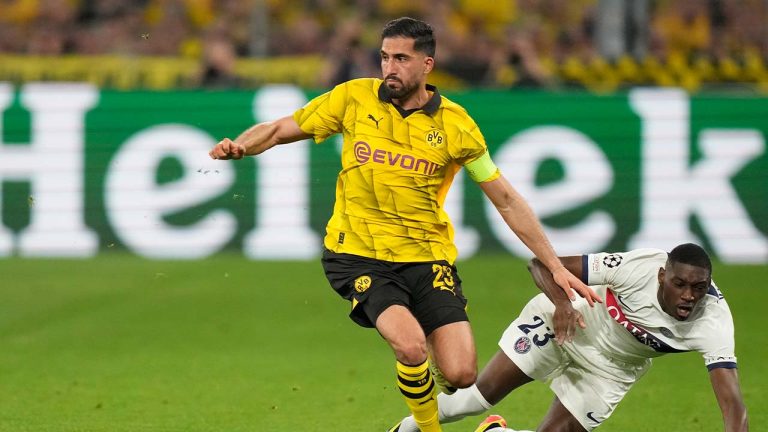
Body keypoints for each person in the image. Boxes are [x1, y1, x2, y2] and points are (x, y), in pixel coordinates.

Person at [207, 17, 600, 432]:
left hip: (427, 257)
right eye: (384, 57)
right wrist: (242, 146)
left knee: (461, 373)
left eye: (401, 58)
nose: (389, 67)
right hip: (357, 253)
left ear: (427, 64)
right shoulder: (353, 98)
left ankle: (451, 415)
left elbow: (505, 199)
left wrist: (555, 265)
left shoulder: (456, 124)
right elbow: (281, 128)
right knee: (410, 347)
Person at [392, 243, 749, 432]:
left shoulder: (713, 322)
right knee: (475, 399)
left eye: (699, 288)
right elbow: (542, 264)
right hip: (565, 324)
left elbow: (733, 407)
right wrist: (562, 304)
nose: (689, 296)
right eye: (680, 284)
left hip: (612, 369)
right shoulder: (636, 268)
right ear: (661, 276)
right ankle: (405, 428)